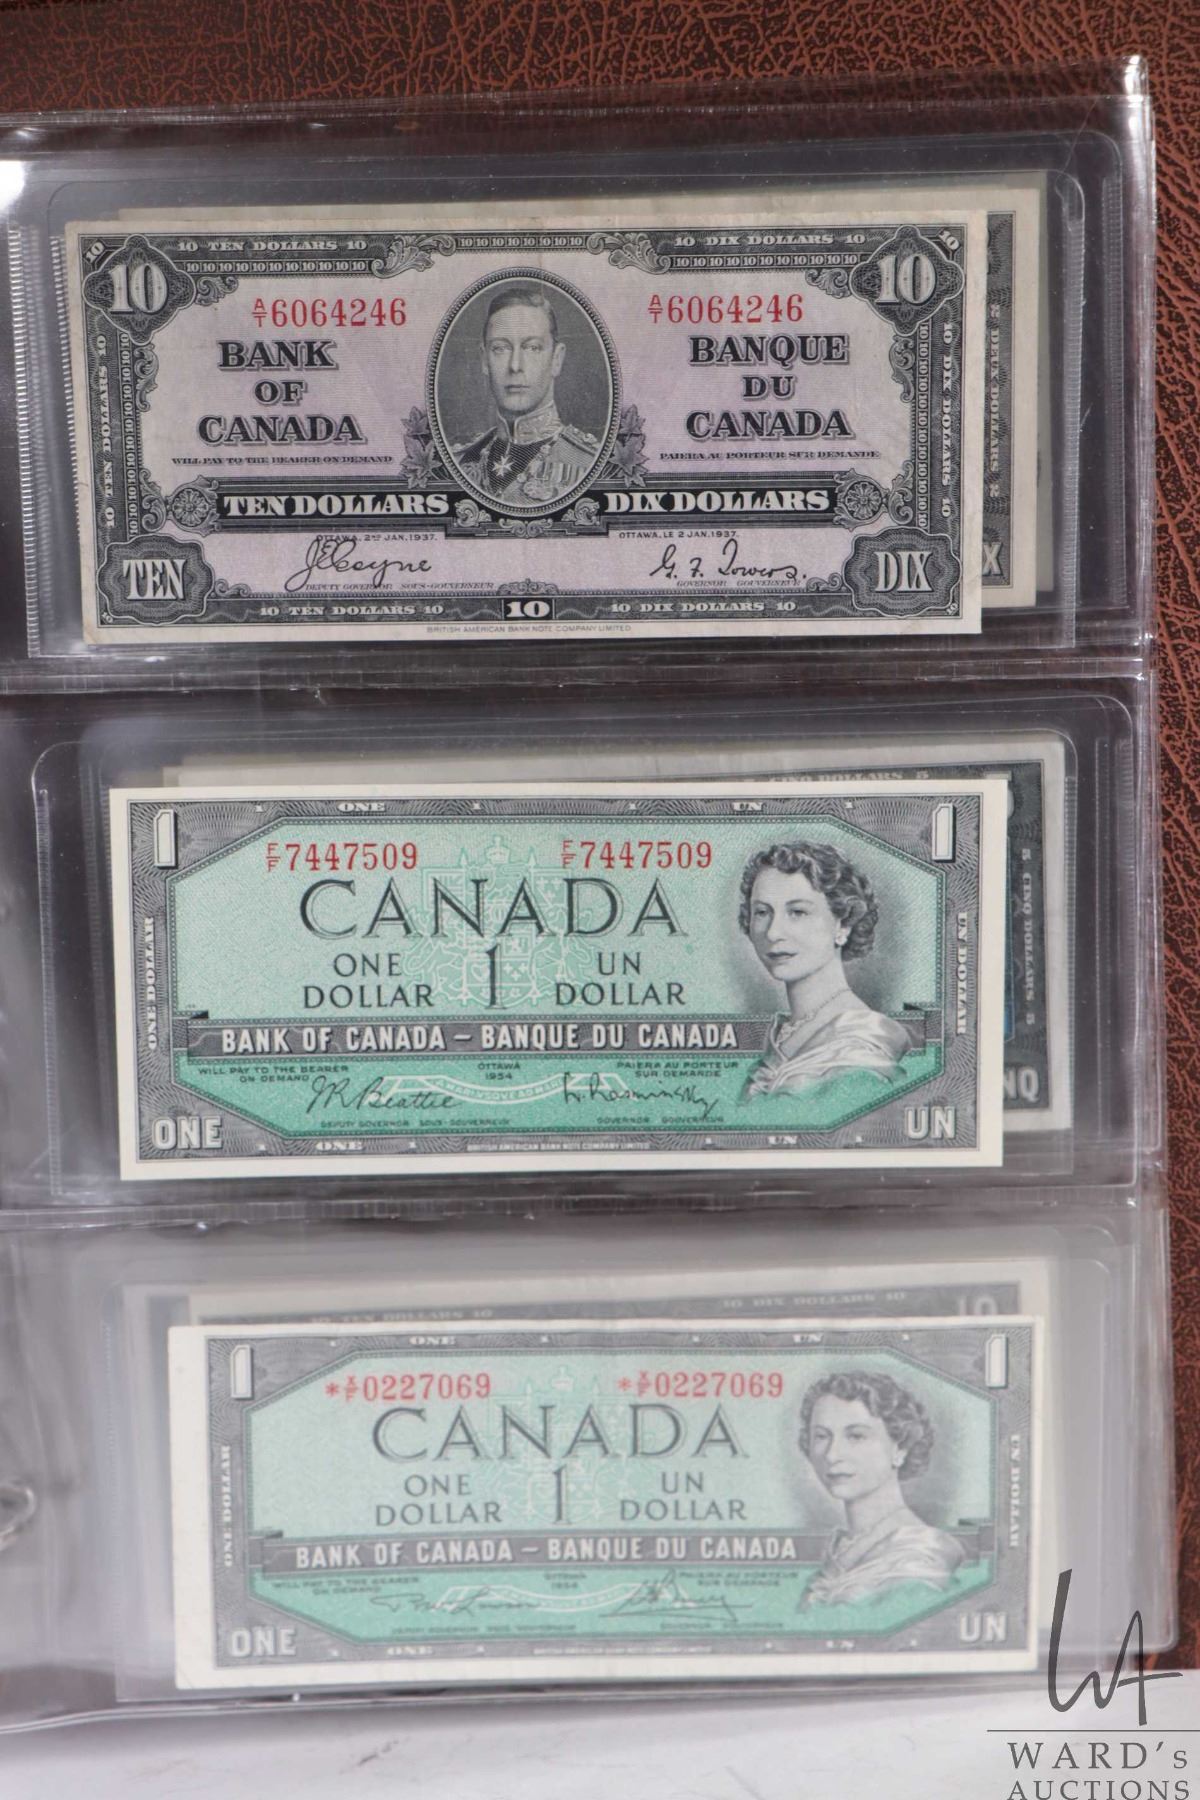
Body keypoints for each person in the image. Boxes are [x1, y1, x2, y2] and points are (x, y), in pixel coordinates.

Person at [739, 840, 910, 1096]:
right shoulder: (782, 1033)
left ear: (843, 924)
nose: (773, 933)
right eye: (762, 912)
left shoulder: (859, 1050)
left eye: (797, 912)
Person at [798, 1370, 965, 1607]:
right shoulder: (839, 1551)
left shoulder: (919, 1560)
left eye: (856, 1436)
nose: (832, 1455)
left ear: (900, 1448)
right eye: (822, 1436)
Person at [451, 284, 601, 504]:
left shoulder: (591, 462)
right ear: (484, 360)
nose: (515, 366)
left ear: (556, 359)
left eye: (533, 348)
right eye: (500, 348)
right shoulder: (459, 460)